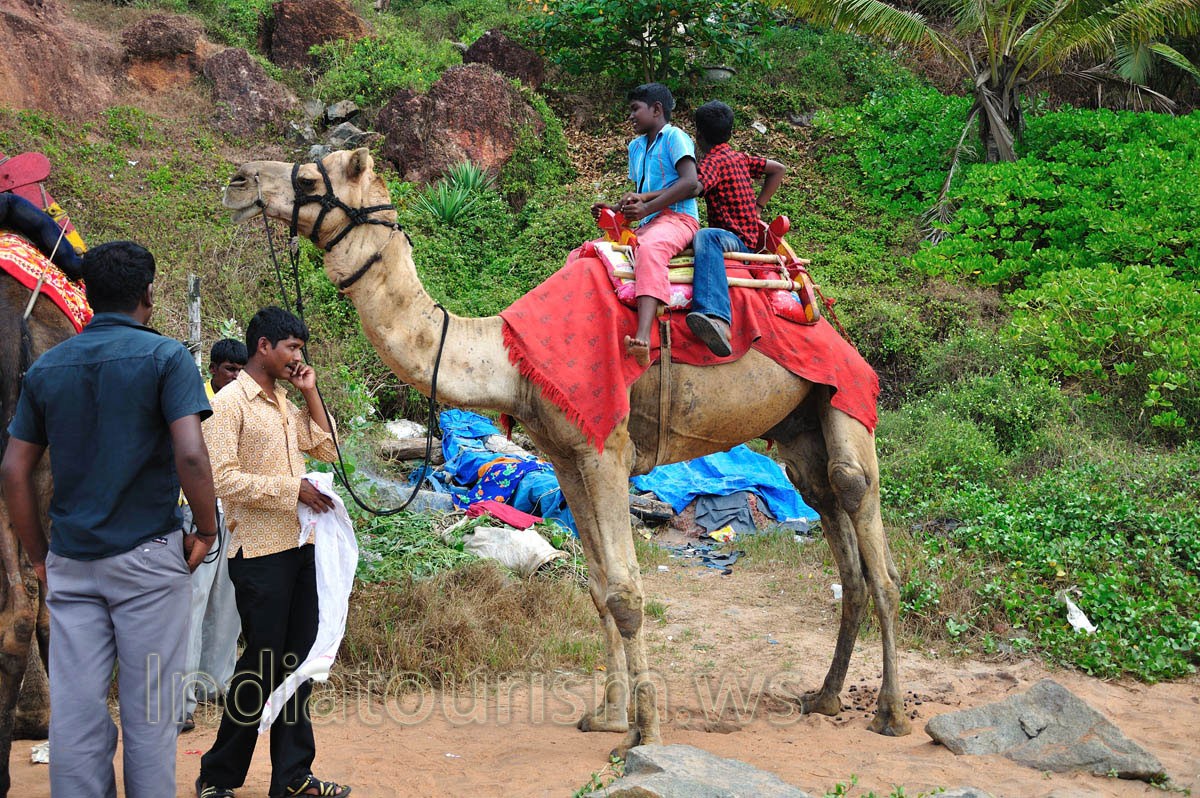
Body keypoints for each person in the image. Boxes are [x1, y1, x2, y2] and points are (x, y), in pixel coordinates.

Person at [0, 240, 217, 798]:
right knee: (149, 713)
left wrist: (41, 555)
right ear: (148, 293)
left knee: (74, 713)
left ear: (89, 296)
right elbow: (191, 455)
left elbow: (14, 470)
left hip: (72, 563)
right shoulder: (167, 358)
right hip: (148, 559)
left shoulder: (49, 367)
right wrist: (208, 529)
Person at [195, 306, 350, 798]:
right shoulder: (229, 403)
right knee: (262, 663)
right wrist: (293, 490)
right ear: (263, 346)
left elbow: (327, 448)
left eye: (299, 349)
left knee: (298, 661)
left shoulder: (283, 401)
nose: (296, 357)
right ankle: (217, 776)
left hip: (299, 546)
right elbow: (222, 479)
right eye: (291, 348)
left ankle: (292, 777)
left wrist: (309, 391)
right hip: (258, 553)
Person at [591, 82, 700, 366]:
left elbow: (690, 183)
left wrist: (647, 208)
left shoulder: (675, 137)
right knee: (591, 252)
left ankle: (643, 336)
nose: (631, 116)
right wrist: (614, 210)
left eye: (635, 109)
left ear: (656, 109)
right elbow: (640, 195)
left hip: (678, 218)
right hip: (647, 222)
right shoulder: (636, 147)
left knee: (649, 250)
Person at [181, 337, 249, 732]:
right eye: (229, 370)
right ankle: (181, 701)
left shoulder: (243, 404)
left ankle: (215, 683)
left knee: (229, 601)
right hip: (197, 512)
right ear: (213, 369)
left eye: (241, 371)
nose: (236, 377)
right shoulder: (195, 402)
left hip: (234, 512)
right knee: (192, 603)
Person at [687, 100, 787, 357]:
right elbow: (778, 169)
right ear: (730, 132)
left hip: (735, 240)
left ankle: (716, 316)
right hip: (747, 237)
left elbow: (695, 187)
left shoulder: (714, 162)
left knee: (706, 237)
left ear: (698, 134)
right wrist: (759, 206)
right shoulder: (739, 158)